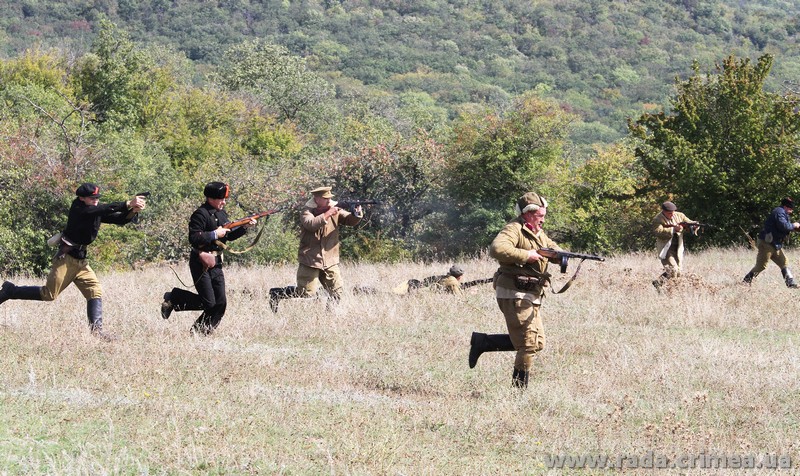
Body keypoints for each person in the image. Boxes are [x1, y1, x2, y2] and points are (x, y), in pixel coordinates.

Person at [0, 183, 146, 340]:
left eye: (97, 198)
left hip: (81, 261)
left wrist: (133, 210)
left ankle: (97, 332)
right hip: (66, 259)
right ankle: (11, 291)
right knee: (49, 294)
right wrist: (127, 203)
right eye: (92, 198)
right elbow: (102, 209)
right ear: (82, 198)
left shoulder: (93, 209)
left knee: (94, 291)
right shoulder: (79, 209)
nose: (96, 200)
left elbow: (119, 219)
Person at [468, 192, 561, 388]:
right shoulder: (514, 229)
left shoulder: (538, 232)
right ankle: (518, 392)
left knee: (537, 343)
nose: (543, 219)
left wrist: (561, 256)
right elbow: (497, 249)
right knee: (528, 344)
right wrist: (526, 255)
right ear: (528, 214)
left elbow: (552, 248)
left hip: (531, 292)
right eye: (540, 216)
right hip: (514, 291)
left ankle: (484, 342)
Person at [160, 182, 256, 335]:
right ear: (211, 198)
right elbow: (194, 238)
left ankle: (199, 334)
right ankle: (174, 297)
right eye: (221, 199)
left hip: (216, 262)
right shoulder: (200, 214)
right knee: (209, 303)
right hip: (201, 262)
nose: (224, 202)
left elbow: (229, 236)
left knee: (220, 303)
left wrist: (244, 227)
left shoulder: (221, 213)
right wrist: (214, 234)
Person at [295, 186, 362, 303]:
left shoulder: (333, 210)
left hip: (330, 260)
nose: (329, 200)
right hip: (311, 260)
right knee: (306, 294)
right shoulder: (306, 212)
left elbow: (349, 220)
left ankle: (330, 313)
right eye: (326, 198)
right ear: (317, 199)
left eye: (329, 198)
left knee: (337, 293)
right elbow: (311, 224)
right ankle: (277, 294)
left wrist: (356, 213)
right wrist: (328, 213)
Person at [743, 197, 800, 288]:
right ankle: (746, 281)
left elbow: (782, 228)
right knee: (761, 266)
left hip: (774, 243)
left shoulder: (782, 213)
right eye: (790, 208)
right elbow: (784, 226)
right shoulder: (779, 212)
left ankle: (790, 284)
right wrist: (794, 225)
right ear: (786, 207)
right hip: (767, 243)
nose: (791, 211)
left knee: (784, 262)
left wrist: (794, 228)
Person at [651, 201, 694, 290]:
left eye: (673, 212)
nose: (672, 214)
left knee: (678, 271)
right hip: (666, 248)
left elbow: (689, 222)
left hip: (678, 247)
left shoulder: (680, 215)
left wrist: (694, 225)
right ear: (663, 211)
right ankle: (672, 290)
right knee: (673, 269)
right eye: (669, 213)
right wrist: (673, 229)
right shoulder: (657, 219)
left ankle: (658, 283)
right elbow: (658, 232)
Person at [391, 265, 465, 295]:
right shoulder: (452, 281)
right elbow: (459, 296)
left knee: (393, 294)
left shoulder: (446, 278)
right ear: (460, 276)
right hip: (415, 291)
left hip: (410, 285)